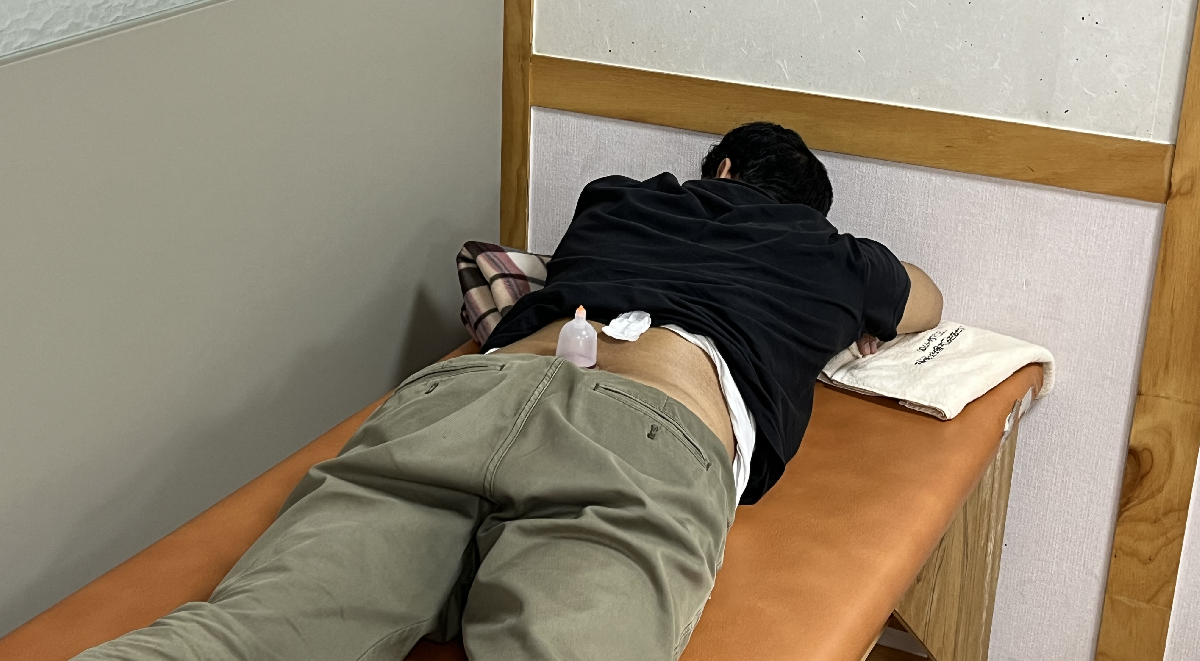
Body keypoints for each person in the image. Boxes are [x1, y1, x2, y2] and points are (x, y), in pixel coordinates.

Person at [77, 122, 942, 661]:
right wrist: (850, 301)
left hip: (465, 396)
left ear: (718, 166)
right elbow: (926, 300)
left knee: (246, 638)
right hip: (647, 435)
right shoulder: (834, 256)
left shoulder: (621, 200)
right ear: (814, 213)